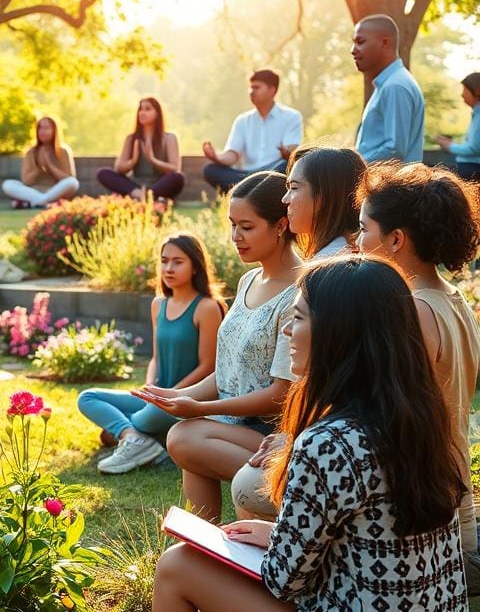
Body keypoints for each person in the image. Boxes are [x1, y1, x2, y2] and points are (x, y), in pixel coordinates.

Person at [152, 257, 467, 611]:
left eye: (298, 317)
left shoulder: (329, 443)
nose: (287, 331)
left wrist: (273, 547)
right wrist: (277, 535)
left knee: (177, 566)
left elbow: (284, 580)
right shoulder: (422, 416)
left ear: (338, 332)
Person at [132, 172, 301, 522]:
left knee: (184, 438)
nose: (235, 237)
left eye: (247, 227)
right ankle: (202, 544)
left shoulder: (302, 290)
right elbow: (226, 371)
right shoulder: (249, 280)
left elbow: (281, 394)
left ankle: (284, 493)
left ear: (281, 225)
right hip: (232, 424)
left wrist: (199, 407)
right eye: (232, 225)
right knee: (186, 437)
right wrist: (179, 398)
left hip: (273, 435)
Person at [357, 162, 480, 594]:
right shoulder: (454, 298)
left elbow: (392, 423)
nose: (356, 243)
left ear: (395, 240)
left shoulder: (414, 310)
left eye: (363, 229)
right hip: (449, 504)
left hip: (432, 523)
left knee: (252, 488)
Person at [230, 146, 365, 520]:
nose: (285, 199)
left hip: (339, 442)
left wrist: (293, 440)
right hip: (330, 431)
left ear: (323, 197)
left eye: (294, 188)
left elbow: (320, 379)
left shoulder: (331, 271)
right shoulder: (332, 260)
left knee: (246, 482)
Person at [77, 232, 225, 474]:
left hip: (183, 400)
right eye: (164, 260)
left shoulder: (207, 307)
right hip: (156, 397)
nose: (168, 268)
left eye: (178, 261)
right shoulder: (159, 304)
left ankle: (128, 433)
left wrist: (167, 396)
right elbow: (156, 357)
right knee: (88, 398)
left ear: (196, 266)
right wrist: (148, 389)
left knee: (131, 423)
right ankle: (135, 437)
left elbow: (207, 367)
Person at [202, 70, 302, 193]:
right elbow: (232, 155)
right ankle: (251, 190)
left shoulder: (291, 116)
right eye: (251, 87)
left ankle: (245, 191)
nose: (251, 92)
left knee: (284, 166)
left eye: (256, 87)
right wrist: (216, 157)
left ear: (272, 90)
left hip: (272, 173)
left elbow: (292, 152)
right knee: (211, 170)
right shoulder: (242, 120)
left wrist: (287, 153)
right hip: (244, 176)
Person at [352, 14, 425, 163]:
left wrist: (353, 166)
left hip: (394, 184)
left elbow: (394, 150)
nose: (353, 50)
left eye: (360, 42)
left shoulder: (395, 86)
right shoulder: (389, 84)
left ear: (385, 42)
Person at [97, 97, 184, 201]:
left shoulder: (169, 138)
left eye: (147, 109)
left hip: (159, 184)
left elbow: (174, 168)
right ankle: (141, 195)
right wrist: (133, 161)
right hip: (135, 184)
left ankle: (147, 195)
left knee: (178, 178)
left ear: (158, 113)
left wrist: (152, 160)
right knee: (102, 173)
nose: (142, 113)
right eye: (141, 109)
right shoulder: (131, 139)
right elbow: (118, 168)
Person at [1, 116, 79, 208]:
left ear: (54, 131)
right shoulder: (31, 152)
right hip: (33, 192)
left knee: (73, 183)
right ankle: (45, 202)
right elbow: (26, 182)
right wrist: (39, 168)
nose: (43, 132)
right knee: (7, 184)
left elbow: (69, 179)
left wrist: (49, 166)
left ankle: (31, 203)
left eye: (47, 128)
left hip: (55, 191)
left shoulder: (63, 151)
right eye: (40, 128)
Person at [436, 71, 480, 181]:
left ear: (476, 91)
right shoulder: (476, 114)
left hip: (472, 169)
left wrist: (449, 146)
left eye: (465, 90)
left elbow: (474, 148)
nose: (462, 94)